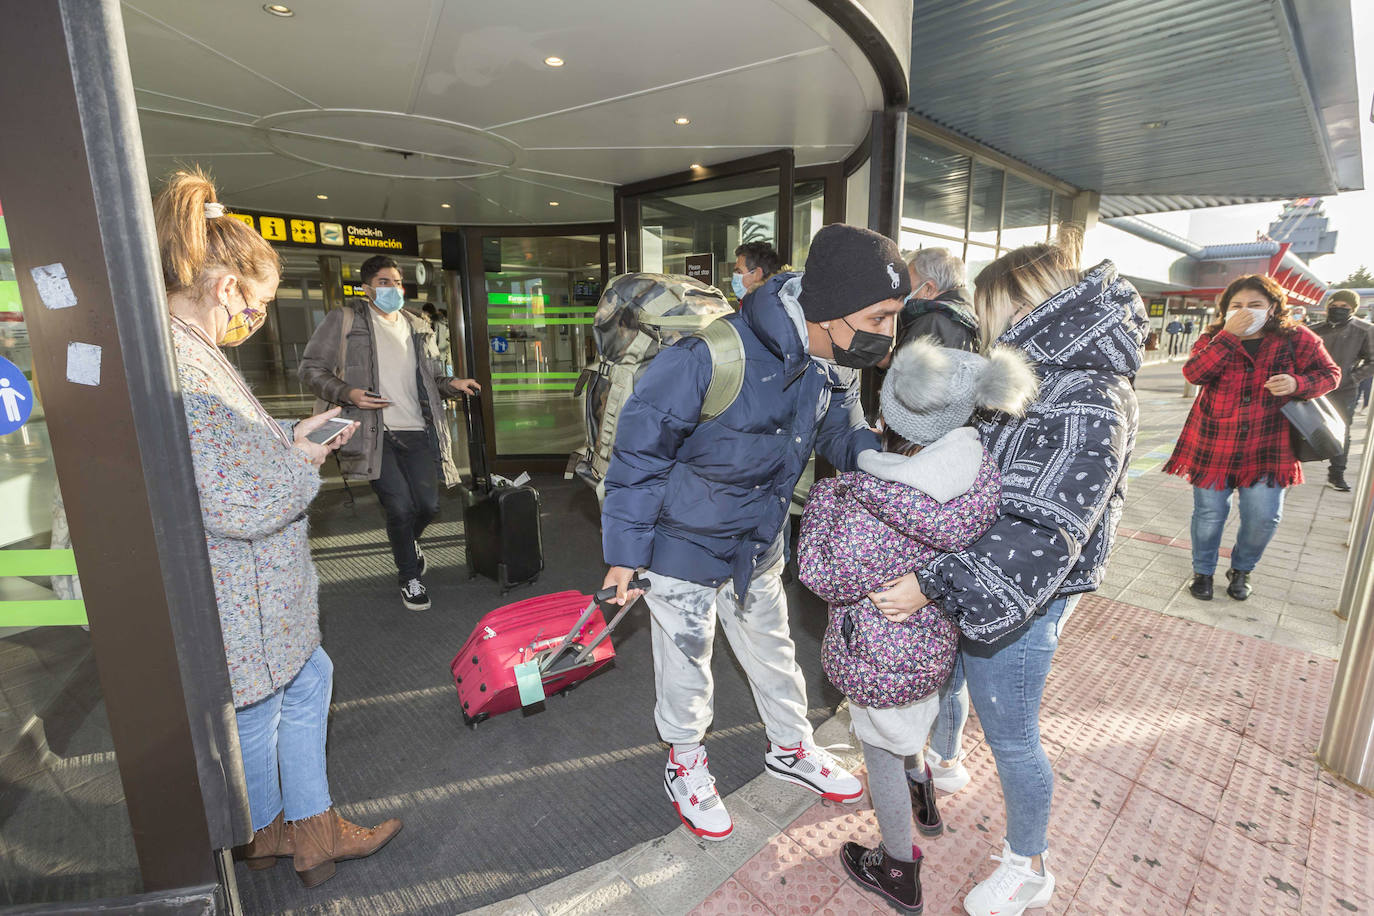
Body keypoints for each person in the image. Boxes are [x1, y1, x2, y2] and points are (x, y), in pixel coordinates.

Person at [600, 223, 912, 840]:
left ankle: (790, 748)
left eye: (895, 317)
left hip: (758, 542)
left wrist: (882, 462)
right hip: (683, 546)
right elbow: (637, 456)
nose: (888, 334)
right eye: (878, 317)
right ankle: (684, 762)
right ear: (830, 308)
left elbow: (839, 432)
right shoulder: (707, 355)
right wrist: (624, 556)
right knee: (687, 664)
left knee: (774, 653)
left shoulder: (830, 360)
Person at [867, 240, 1145, 916]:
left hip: (1025, 593)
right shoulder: (1048, 373)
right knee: (959, 677)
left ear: (1022, 304)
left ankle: (1029, 866)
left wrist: (931, 582)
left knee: (1014, 735)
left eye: (991, 311)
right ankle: (949, 761)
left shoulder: (1085, 394)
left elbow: (1039, 530)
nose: (987, 327)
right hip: (984, 575)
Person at [155, 169, 401, 887]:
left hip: (250, 594)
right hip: (246, 592)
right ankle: (292, 832)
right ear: (226, 287)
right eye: (257, 304)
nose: (256, 318)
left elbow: (225, 459)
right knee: (272, 701)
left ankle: (278, 832)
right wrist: (303, 459)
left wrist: (289, 435)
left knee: (288, 692)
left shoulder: (187, 351)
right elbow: (239, 503)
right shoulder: (188, 365)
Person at [798, 339, 1038, 913]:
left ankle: (898, 867)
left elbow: (824, 575)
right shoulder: (978, 473)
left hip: (877, 653)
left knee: (881, 750)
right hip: (930, 648)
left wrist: (826, 500)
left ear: (887, 419)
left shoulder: (873, 500)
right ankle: (924, 798)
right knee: (913, 729)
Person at [300, 256, 480, 610]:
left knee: (427, 506)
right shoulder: (345, 320)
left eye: (397, 282)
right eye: (384, 282)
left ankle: (406, 543)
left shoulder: (418, 325)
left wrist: (453, 384)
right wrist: (348, 392)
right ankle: (409, 576)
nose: (393, 288)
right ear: (366, 288)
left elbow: (431, 378)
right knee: (399, 506)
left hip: (417, 429)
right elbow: (310, 370)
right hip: (374, 433)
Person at [1164, 275, 1339, 601]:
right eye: (1237, 305)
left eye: (1255, 305)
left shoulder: (1297, 337)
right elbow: (1195, 374)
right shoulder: (1213, 337)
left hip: (1270, 445)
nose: (1246, 311)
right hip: (1215, 441)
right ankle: (1203, 571)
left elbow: (1330, 374)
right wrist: (1229, 336)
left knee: (1264, 517)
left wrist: (1297, 384)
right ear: (1226, 309)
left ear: (1272, 308)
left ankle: (1241, 569)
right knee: (1209, 515)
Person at [1312, 289, 1374, 491]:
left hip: (1343, 390)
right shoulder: (1314, 329)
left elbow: (1372, 361)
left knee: (1342, 431)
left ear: (1353, 308)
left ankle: (1336, 473)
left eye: (1344, 306)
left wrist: (1352, 377)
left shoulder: (1364, 330)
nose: (1338, 309)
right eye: (1334, 305)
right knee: (1301, 426)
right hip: (1312, 387)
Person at [897, 248, 976, 352]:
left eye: (907, 287)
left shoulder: (931, 322)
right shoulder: (965, 315)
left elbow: (905, 362)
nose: (902, 293)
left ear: (929, 289)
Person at [422, 303, 452, 373]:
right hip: (444, 354)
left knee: (440, 375)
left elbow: (437, 340)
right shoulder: (442, 321)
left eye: (424, 313)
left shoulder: (435, 323)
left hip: (438, 354)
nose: (423, 315)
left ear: (427, 313)